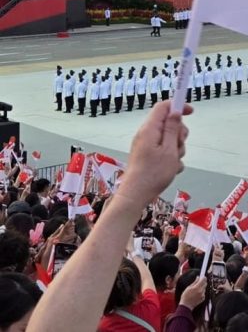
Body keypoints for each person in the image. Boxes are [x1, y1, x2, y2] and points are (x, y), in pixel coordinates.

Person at [27, 100, 192, 332]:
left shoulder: (101, 325)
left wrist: (131, 195)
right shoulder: (148, 312)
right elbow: (147, 281)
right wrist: (133, 196)